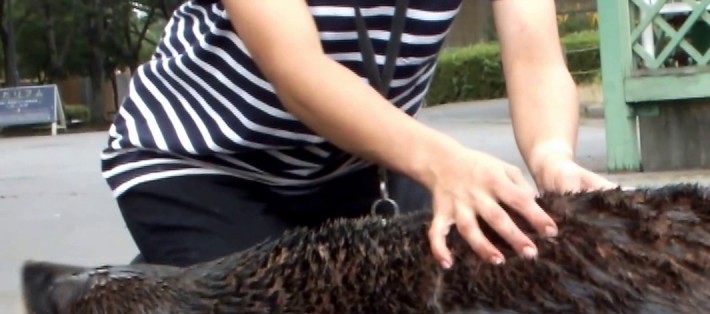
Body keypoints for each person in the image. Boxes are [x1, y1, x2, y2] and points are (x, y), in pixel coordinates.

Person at [101, 0, 616, 269]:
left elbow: (534, 57)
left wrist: (552, 156)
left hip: (364, 167)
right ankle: (153, 285)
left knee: (484, 300)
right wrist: (444, 161)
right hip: (204, 168)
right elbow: (297, 71)